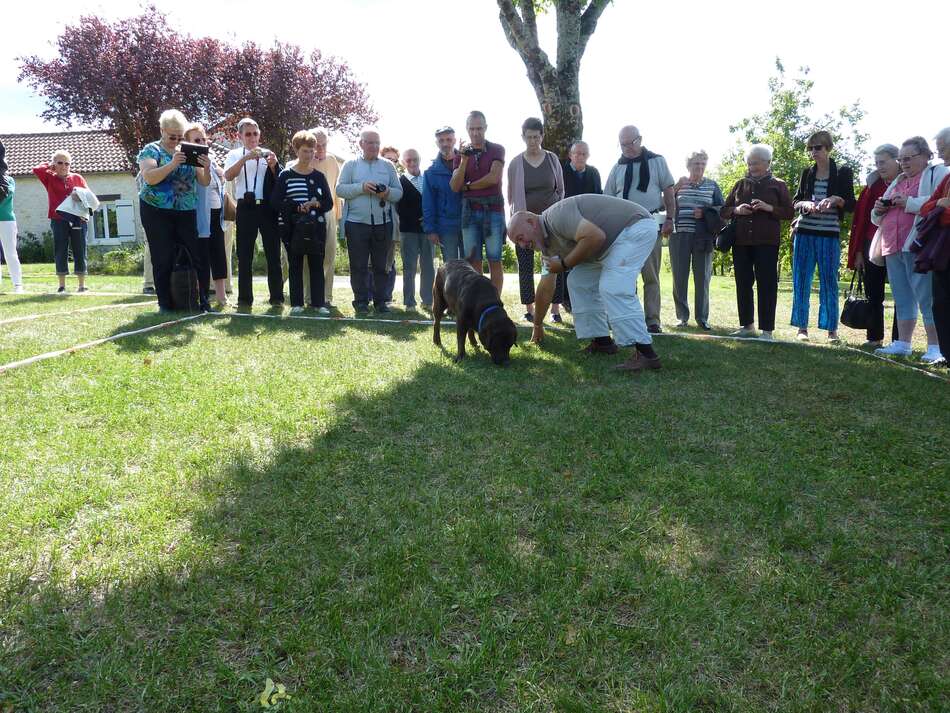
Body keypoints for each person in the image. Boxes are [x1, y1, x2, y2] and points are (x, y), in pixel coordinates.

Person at [508, 194, 663, 371]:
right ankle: (602, 342)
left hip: (636, 227)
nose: (522, 245)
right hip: (611, 244)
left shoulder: (556, 217)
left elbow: (595, 237)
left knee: (614, 286)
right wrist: (537, 324)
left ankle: (646, 354)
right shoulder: (547, 247)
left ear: (531, 222)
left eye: (520, 238)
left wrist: (565, 264)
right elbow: (545, 287)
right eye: (517, 242)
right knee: (578, 281)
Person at [872, 136, 949, 362]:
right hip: (892, 244)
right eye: (901, 159)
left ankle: (935, 346)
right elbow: (875, 218)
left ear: (926, 156)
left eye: (908, 158)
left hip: (918, 244)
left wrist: (908, 202)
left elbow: (938, 202)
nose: (904, 163)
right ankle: (903, 343)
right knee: (902, 296)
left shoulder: (937, 174)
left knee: (926, 296)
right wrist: (879, 209)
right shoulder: (897, 181)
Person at [603, 125, 676, 333]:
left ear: (640, 139)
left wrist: (670, 218)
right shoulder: (617, 167)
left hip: (650, 224)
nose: (627, 148)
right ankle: (627, 317)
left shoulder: (657, 161)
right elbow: (607, 198)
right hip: (622, 228)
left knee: (650, 275)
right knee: (624, 275)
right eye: (623, 145)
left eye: (630, 143)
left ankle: (652, 320)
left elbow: (669, 192)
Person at [137, 109, 211, 313]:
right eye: (172, 136)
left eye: (179, 136)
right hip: (155, 209)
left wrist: (206, 167)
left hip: (185, 209)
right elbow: (150, 177)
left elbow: (204, 181)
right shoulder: (151, 150)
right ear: (162, 130)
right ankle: (165, 303)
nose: (176, 140)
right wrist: (172, 163)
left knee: (195, 254)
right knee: (162, 256)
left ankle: (202, 300)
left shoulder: (188, 150)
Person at [720, 144, 795, 340]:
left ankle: (767, 330)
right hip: (741, 241)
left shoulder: (778, 184)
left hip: (767, 242)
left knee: (767, 284)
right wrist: (737, 210)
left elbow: (789, 211)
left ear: (767, 163)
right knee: (743, 283)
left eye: (755, 163)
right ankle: (747, 325)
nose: (751, 167)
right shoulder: (740, 184)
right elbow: (724, 209)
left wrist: (769, 207)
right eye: (749, 163)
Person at [790, 131, 856, 343]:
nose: (813, 152)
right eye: (810, 148)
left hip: (829, 234)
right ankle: (802, 328)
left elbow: (851, 204)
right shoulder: (806, 173)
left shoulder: (843, 173)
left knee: (829, 281)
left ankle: (831, 330)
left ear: (828, 148)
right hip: (805, 232)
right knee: (801, 280)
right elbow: (796, 201)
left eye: (817, 147)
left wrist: (836, 199)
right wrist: (806, 204)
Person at [336, 128, 402, 314]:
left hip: (383, 223)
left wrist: (386, 192)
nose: (374, 146)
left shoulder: (388, 166)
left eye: (377, 143)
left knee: (382, 265)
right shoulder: (350, 165)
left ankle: (381, 301)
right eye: (370, 142)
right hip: (356, 223)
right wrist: (361, 188)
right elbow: (340, 189)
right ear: (361, 144)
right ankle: (361, 301)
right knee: (358, 265)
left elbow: (398, 193)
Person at [507, 117, 565, 323]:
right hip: (525, 226)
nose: (533, 141)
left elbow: (561, 190)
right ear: (523, 137)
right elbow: (511, 195)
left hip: (550, 224)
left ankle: (555, 309)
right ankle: (529, 308)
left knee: (553, 264)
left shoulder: (552, 159)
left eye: (536, 137)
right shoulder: (515, 163)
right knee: (525, 265)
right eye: (529, 137)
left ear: (541, 136)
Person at [223, 117, 283, 308]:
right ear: (240, 136)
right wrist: (245, 158)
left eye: (255, 133)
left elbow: (279, 181)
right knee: (244, 254)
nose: (252, 138)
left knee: (273, 253)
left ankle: (277, 298)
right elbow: (228, 175)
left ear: (259, 135)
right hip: (245, 207)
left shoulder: (268, 154)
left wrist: (274, 166)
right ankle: (244, 299)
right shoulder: (234, 154)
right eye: (247, 134)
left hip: (266, 208)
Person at [271, 130, 333, 315]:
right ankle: (296, 303)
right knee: (295, 264)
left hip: (315, 228)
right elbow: (275, 202)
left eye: (312, 151)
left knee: (316, 263)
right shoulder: (285, 175)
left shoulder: (319, 177)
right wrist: (296, 207)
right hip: (292, 228)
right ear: (296, 150)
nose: (309, 155)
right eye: (305, 150)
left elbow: (328, 203)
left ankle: (318, 303)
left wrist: (315, 203)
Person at [846, 144, 901, 347]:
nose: (880, 166)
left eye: (883, 162)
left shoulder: (908, 183)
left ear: (897, 160)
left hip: (899, 241)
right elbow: (860, 221)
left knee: (901, 293)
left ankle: (899, 340)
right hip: (872, 243)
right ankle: (874, 337)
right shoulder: (872, 186)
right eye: (877, 163)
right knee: (873, 292)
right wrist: (859, 251)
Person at [450, 110, 506, 295]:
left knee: (494, 258)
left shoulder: (497, 149)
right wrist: (464, 160)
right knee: (473, 260)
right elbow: (455, 186)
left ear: (486, 128)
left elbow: (493, 178)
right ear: (466, 129)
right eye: (472, 129)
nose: (476, 133)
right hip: (469, 213)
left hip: (493, 211)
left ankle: (495, 301)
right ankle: (480, 300)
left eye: (479, 128)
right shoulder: (460, 155)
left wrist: (468, 187)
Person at [671, 150, 724, 330]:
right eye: (696, 164)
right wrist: (675, 188)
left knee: (702, 277)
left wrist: (706, 212)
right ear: (688, 166)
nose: (699, 167)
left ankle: (702, 318)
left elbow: (722, 210)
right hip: (679, 235)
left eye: (702, 164)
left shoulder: (712, 185)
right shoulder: (679, 184)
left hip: (703, 236)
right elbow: (664, 205)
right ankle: (682, 317)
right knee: (679, 276)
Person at [32, 149, 91, 293]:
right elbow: (37, 169)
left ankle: (82, 285)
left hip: (78, 219)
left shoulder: (77, 177)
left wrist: (80, 198)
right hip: (58, 219)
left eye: (67, 163)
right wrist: (50, 167)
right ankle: (62, 285)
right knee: (60, 250)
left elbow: (88, 197)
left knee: (80, 249)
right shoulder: (49, 177)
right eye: (60, 163)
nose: (64, 166)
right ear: (54, 164)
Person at [184, 123, 228, 308]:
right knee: (202, 257)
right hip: (200, 215)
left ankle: (222, 297)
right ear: (187, 143)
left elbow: (219, 185)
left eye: (203, 139)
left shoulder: (214, 160)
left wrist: (220, 174)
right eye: (197, 140)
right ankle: (202, 297)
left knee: (219, 254)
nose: (202, 143)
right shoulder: (187, 163)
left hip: (217, 214)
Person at [919, 127, 950, 366]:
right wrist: (941, 202)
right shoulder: (947, 178)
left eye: (943, 149)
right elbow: (926, 207)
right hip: (943, 246)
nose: (940, 155)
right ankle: (947, 355)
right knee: (941, 300)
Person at [561, 140, 602, 313]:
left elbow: (599, 198)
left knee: (585, 263)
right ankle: (566, 299)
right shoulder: (562, 171)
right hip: (566, 224)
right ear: (570, 155)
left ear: (588, 156)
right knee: (566, 263)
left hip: (588, 226)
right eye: (577, 153)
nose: (580, 157)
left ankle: (586, 298)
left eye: (584, 154)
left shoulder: (593, 173)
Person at [397, 148, 433, 310]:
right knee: (409, 267)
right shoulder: (399, 181)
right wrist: (418, 218)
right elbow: (399, 207)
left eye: (415, 159)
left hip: (427, 231)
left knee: (428, 266)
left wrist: (428, 218)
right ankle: (409, 302)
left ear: (420, 159)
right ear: (403, 162)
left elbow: (433, 201)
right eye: (408, 160)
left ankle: (428, 300)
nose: (412, 163)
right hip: (408, 230)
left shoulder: (428, 179)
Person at [422, 126, 463, 263]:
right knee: (451, 267)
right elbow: (428, 203)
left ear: (455, 140)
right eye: (441, 140)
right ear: (436, 143)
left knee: (471, 266)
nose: (445, 143)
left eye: (449, 139)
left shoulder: (467, 163)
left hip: (469, 223)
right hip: (446, 227)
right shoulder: (430, 173)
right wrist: (430, 229)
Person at [0, 141, 24, 293]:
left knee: (10, 252)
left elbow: (5, 196)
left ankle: (18, 285)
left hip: (7, 220)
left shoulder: (9, 180)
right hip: (7, 220)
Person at [378, 146, 401, 303]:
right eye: (388, 159)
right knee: (372, 262)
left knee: (389, 261)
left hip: (392, 225)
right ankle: (373, 296)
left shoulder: (398, 180)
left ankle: (387, 297)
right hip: (373, 223)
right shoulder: (376, 175)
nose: (391, 162)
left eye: (394, 160)